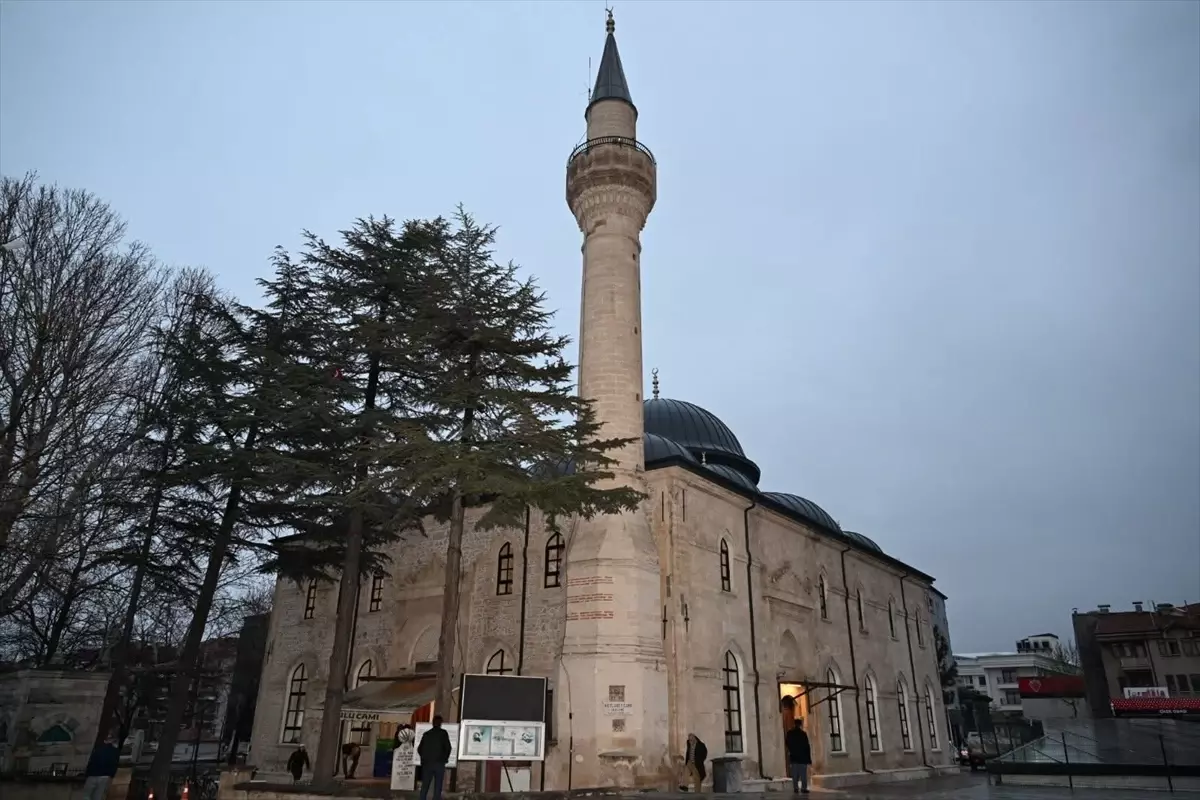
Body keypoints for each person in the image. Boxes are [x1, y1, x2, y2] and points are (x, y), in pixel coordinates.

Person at [417, 715, 452, 800]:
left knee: (425, 785)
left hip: (427, 764)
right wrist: (444, 759)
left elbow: (419, 749)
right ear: (440, 723)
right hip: (439, 763)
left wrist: (424, 758)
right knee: (438, 786)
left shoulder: (427, 734)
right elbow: (448, 748)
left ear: (432, 723)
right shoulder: (443, 733)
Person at [785, 717, 812, 794]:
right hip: (803, 757)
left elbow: (787, 743)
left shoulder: (790, 733)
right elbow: (807, 746)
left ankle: (796, 788)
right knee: (803, 774)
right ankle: (803, 788)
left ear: (794, 724)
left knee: (795, 774)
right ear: (800, 725)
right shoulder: (803, 734)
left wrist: (791, 750)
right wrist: (809, 759)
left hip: (794, 757)